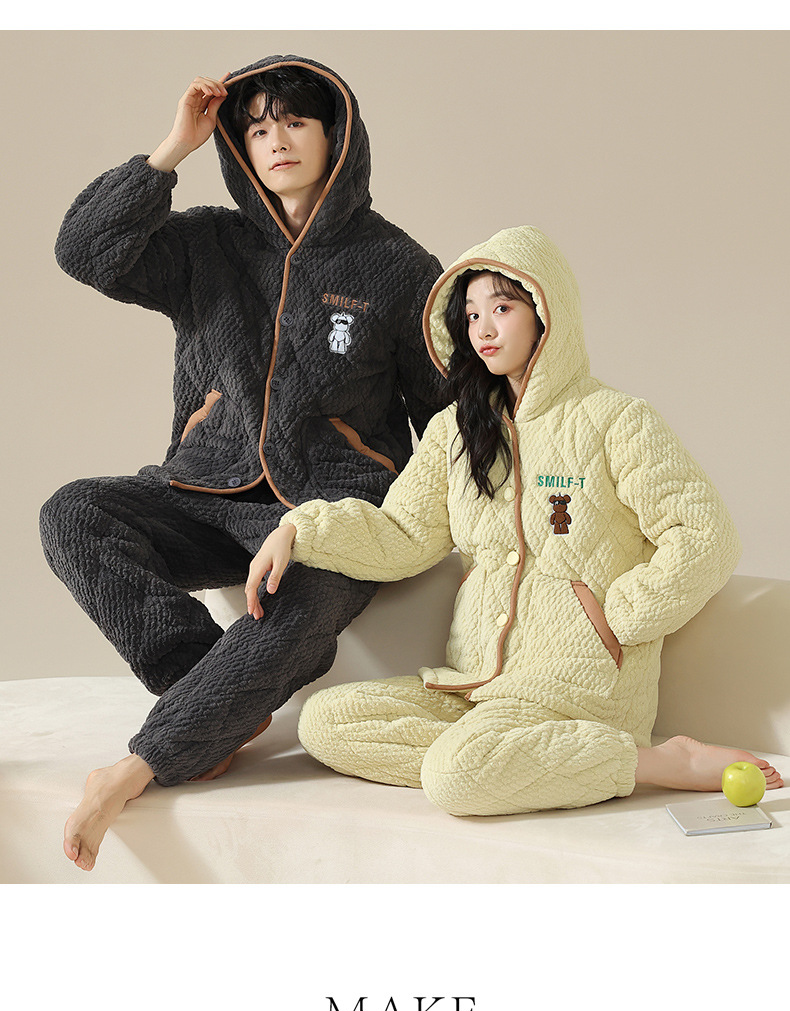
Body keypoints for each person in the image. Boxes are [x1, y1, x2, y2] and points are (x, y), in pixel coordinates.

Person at [40, 54, 444, 871]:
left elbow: (444, 419)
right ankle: (207, 688)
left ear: (337, 135)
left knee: (301, 606)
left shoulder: (400, 268)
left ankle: (135, 767)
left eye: (294, 121)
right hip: (208, 487)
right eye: (257, 129)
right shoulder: (206, 244)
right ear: (239, 148)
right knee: (73, 511)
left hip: (325, 513)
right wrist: (170, 151)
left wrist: (417, 524)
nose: (277, 140)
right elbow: (83, 250)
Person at [247, 225, 783, 815]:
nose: (483, 329)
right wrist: (299, 530)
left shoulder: (616, 420)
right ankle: (509, 761)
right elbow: (403, 534)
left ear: (546, 313)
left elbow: (704, 534)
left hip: (573, 688)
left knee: (456, 777)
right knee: (326, 720)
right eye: (472, 314)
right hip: (474, 684)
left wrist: (619, 618)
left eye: (502, 308)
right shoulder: (455, 430)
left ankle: (659, 761)